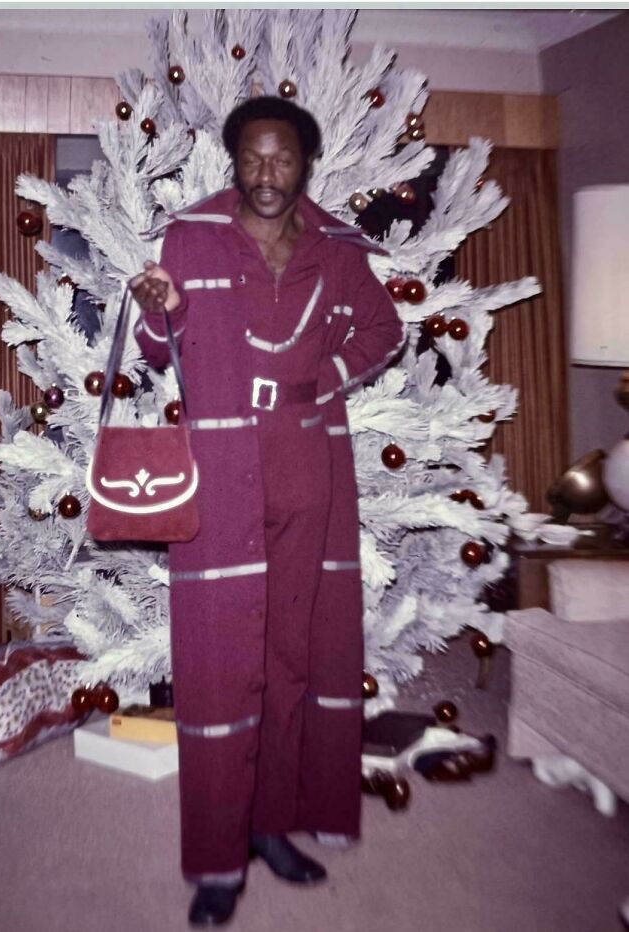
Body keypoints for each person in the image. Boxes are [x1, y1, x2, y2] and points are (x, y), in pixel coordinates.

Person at [130, 96, 403, 927]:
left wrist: (324, 381)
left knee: (292, 651)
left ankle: (271, 826)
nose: (266, 175)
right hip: (218, 466)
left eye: (282, 160)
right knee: (216, 666)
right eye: (252, 159)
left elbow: (383, 331)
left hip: (307, 467)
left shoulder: (336, 252)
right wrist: (158, 311)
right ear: (234, 162)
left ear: (306, 164)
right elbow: (158, 350)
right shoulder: (191, 240)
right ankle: (218, 860)